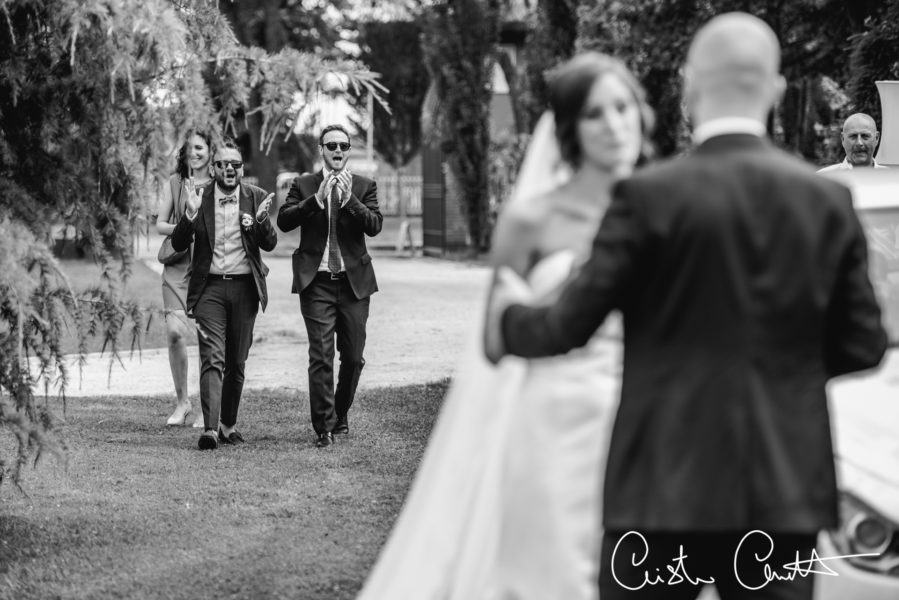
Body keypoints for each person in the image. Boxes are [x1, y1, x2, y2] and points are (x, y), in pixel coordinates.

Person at [486, 12, 887, 600]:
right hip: (780, 493)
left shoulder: (647, 197)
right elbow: (864, 344)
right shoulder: (826, 201)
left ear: (690, 86)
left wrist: (508, 318)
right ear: (776, 89)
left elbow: (567, 326)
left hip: (661, 490)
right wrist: (786, 367)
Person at [357, 52, 653, 600]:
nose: (615, 126)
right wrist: (586, 283)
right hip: (557, 423)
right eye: (595, 114)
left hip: (648, 424)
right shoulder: (533, 220)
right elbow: (493, 342)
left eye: (623, 107)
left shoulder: (667, 211)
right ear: (569, 130)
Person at [277, 124, 382, 448]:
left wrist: (350, 200)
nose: (338, 150)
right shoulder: (303, 184)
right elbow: (284, 220)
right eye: (331, 145)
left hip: (354, 286)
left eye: (343, 146)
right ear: (321, 149)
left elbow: (374, 226)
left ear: (348, 151)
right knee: (321, 355)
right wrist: (316, 199)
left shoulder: (364, 185)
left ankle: (340, 413)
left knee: (353, 358)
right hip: (317, 283)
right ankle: (324, 427)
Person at [171, 138, 277, 450]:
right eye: (222, 164)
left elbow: (270, 243)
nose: (229, 169)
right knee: (212, 357)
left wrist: (259, 223)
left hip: (245, 289)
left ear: (242, 168)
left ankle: (228, 425)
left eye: (235, 164)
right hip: (210, 289)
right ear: (213, 169)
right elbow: (178, 243)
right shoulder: (199, 197)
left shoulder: (255, 197)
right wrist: (189, 215)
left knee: (237, 361)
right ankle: (210, 429)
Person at [155, 130, 213, 428]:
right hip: (178, 266)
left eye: (200, 147)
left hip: (208, 268)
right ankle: (182, 402)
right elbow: (160, 224)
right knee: (175, 333)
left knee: (207, 338)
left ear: (210, 151)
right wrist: (186, 224)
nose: (195, 153)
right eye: (190, 148)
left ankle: (206, 407)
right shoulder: (175, 183)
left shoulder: (218, 183)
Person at [818, 112, 888, 171]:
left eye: (865, 136)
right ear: (843, 139)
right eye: (853, 136)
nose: (859, 143)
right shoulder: (825, 177)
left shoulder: (890, 177)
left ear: (876, 138)